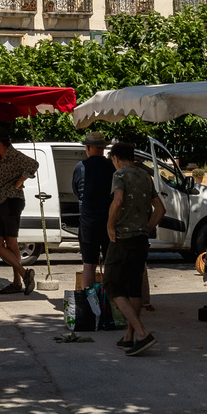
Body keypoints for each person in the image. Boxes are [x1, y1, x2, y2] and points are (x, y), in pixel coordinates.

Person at [106, 142, 164, 357]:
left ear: (116, 158)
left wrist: (110, 225)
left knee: (112, 286)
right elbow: (160, 208)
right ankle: (130, 337)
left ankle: (141, 333)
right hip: (140, 239)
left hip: (123, 238)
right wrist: (147, 228)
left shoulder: (120, 175)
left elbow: (118, 200)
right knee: (134, 289)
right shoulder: (144, 176)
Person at [0, 129, 40, 294]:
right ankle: (23, 275)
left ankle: (18, 281)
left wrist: (19, 182)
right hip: (1, 203)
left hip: (12, 202)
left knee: (11, 242)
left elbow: (34, 164)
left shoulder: (15, 155)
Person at [73, 132, 116, 287]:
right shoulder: (111, 166)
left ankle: (89, 303)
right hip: (108, 221)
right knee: (110, 264)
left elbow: (76, 190)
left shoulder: (80, 167)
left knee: (89, 265)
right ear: (103, 148)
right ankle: (112, 301)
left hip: (88, 222)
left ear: (88, 147)